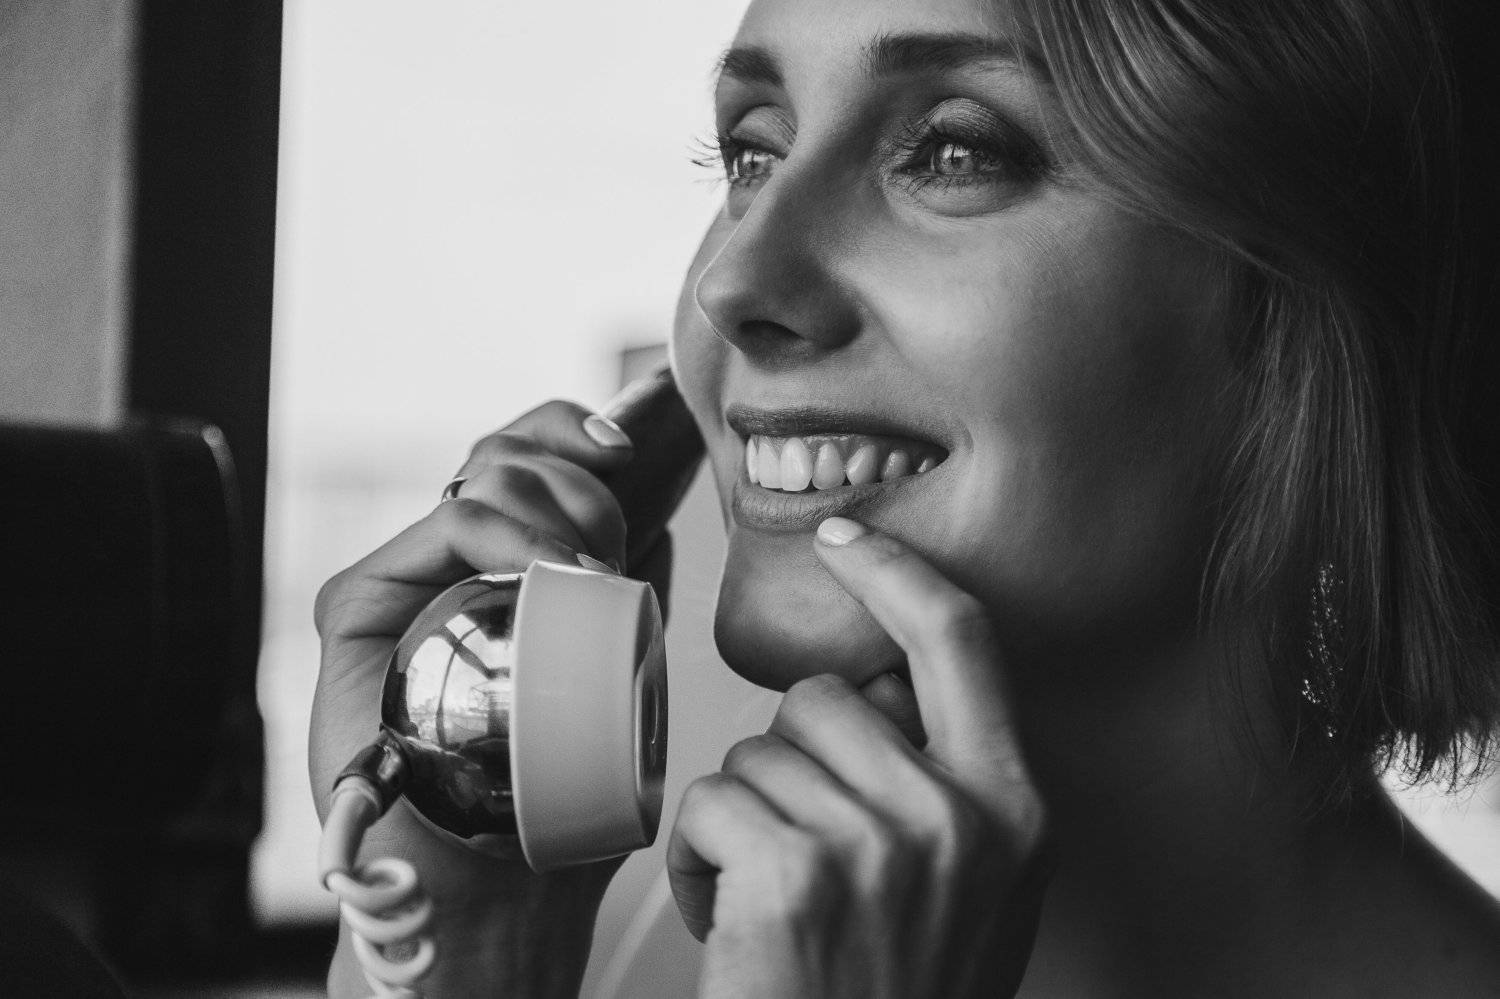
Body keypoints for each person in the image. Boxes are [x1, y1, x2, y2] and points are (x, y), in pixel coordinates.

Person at [311, 0, 1500, 993]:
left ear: (1307, 312)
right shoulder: (679, 933)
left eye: (954, 152)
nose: (734, 281)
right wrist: (474, 951)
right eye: (752, 154)